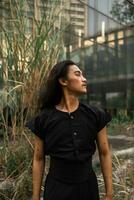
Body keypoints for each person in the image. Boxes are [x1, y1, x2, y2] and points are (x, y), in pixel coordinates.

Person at [26, 60, 112, 200]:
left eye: (82, 75)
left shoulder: (95, 115)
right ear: (63, 81)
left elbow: (105, 153)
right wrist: (35, 197)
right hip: (57, 189)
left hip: (88, 188)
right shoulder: (44, 119)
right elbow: (38, 158)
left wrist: (109, 194)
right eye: (77, 75)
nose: (84, 79)